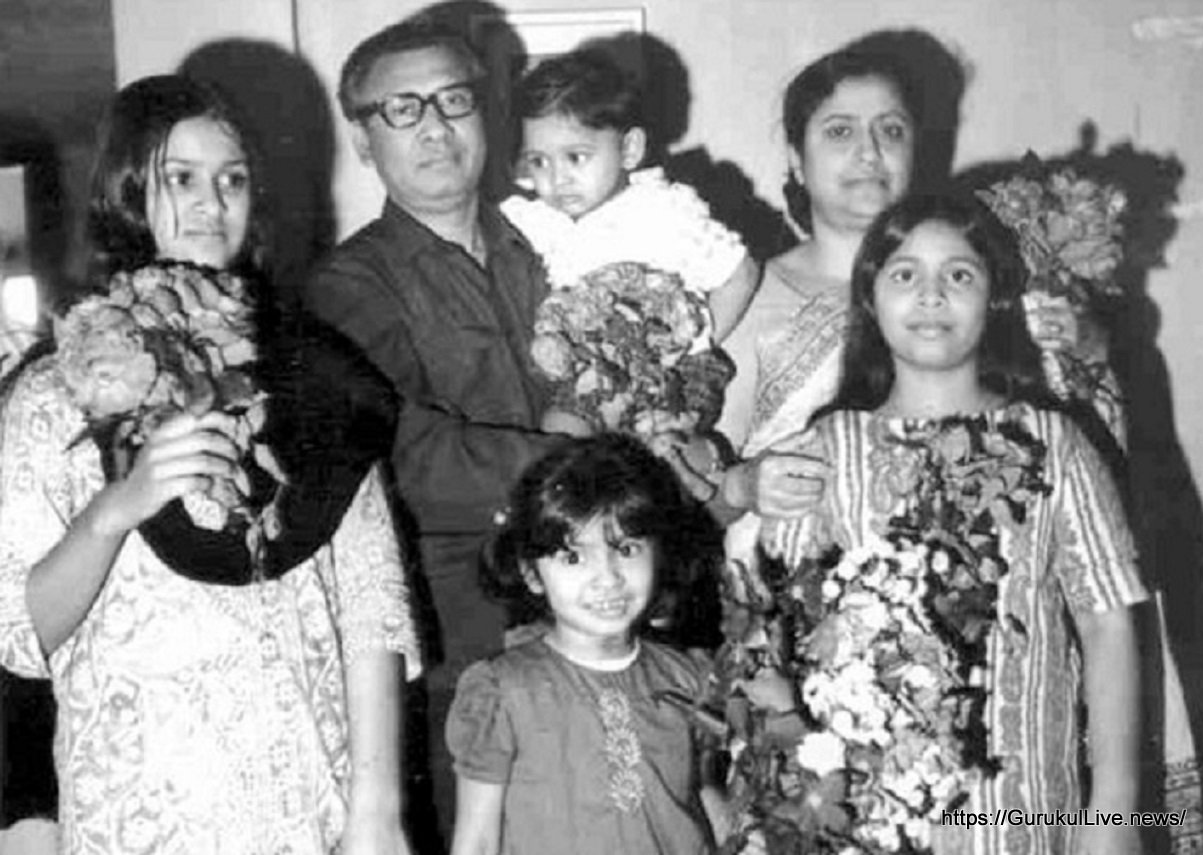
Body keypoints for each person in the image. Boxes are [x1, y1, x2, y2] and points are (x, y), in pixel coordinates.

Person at [0, 75, 420, 854]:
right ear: (127, 190)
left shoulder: (317, 376)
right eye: (181, 178)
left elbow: (372, 601)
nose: (212, 203)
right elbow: (18, 633)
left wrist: (378, 810)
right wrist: (115, 510)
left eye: (232, 180)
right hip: (139, 805)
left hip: (306, 799)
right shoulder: (55, 391)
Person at [755, 193, 1147, 855]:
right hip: (864, 819)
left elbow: (1107, 623)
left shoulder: (1054, 442)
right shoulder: (823, 449)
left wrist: (1113, 811)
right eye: (904, 274)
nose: (931, 295)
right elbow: (775, 628)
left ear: (995, 299)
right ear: (870, 298)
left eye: (959, 275)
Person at [301, 18, 563, 843]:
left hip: (602, 620)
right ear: (362, 138)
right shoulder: (347, 287)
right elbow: (408, 463)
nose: (435, 127)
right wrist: (589, 463)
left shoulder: (550, 244)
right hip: (467, 653)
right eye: (402, 108)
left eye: (453, 100)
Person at [445, 434, 741, 855]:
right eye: (573, 557)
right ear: (531, 574)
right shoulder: (503, 691)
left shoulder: (689, 677)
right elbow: (476, 841)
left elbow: (703, 796)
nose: (608, 577)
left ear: (658, 554)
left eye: (627, 549)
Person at [716, 42, 920, 484]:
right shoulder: (744, 299)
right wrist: (745, 486)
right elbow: (698, 494)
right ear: (797, 160)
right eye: (840, 132)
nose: (870, 152)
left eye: (891, 130)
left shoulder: (962, 291)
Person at [501, 48, 758, 364]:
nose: (557, 179)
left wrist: (695, 354)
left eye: (576, 157)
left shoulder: (662, 213)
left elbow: (741, 273)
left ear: (629, 149)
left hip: (653, 378)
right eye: (539, 161)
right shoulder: (533, 221)